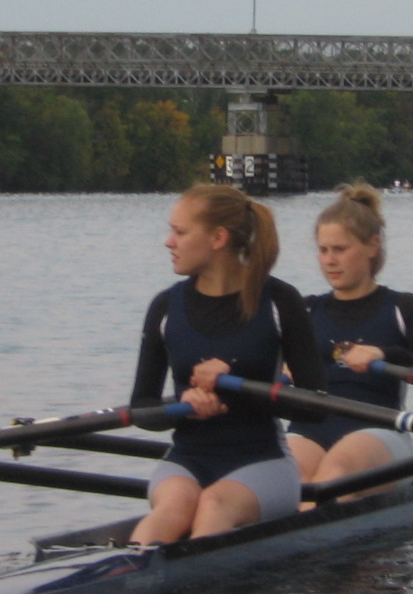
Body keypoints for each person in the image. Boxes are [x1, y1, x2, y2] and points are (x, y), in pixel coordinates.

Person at [128, 185, 325, 546]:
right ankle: (123, 577)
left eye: (181, 232)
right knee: (173, 509)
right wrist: (183, 409)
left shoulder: (280, 301)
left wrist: (237, 384)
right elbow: (141, 408)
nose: (169, 242)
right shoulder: (165, 307)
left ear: (218, 238)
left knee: (213, 506)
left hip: (262, 461)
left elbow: (314, 405)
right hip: (186, 460)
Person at [287, 182, 413, 496]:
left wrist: (385, 355)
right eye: (323, 250)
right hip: (309, 429)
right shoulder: (304, 309)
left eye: (340, 249)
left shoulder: (402, 307)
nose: (329, 260)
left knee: (336, 473)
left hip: (379, 430)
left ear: (372, 246)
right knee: (288, 480)